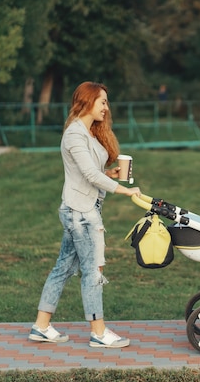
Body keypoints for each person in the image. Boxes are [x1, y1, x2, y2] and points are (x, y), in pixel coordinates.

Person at [28, 82, 141, 348]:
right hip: (80, 212)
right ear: (88, 101)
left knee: (63, 269)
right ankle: (98, 333)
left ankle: (41, 327)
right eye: (102, 101)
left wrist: (110, 174)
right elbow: (89, 175)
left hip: (82, 208)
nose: (106, 107)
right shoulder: (74, 135)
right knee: (93, 270)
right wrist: (123, 191)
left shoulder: (88, 133)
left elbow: (91, 171)